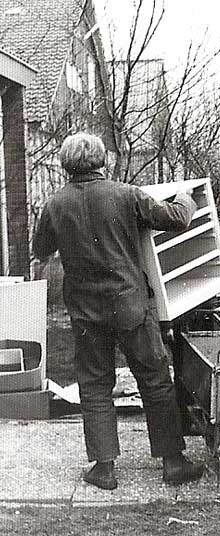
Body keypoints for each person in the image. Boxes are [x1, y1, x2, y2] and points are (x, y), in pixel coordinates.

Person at [32, 132, 205, 490]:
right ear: (101, 160)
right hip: (130, 305)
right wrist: (188, 199)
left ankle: (104, 468)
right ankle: (173, 462)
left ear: (67, 164)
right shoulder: (126, 194)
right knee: (155, 379)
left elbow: (40, 249)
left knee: (95, 386)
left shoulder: (54, 204)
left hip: (85, 312)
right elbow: (176, 218)